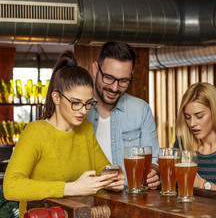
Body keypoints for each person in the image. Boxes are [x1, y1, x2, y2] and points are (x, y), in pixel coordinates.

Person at [4, 51, 125, 217]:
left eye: (88, 103)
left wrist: (113, 180)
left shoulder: (85, 129)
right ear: (56, 97)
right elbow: (11, 187)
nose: (83, 110)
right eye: (76, 103)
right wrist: (70, 188)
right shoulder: (35, 132)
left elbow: (103, 169)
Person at [87, 41, 160, 189]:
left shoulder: (142, 110)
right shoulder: (78, 110)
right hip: (88, 200)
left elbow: (154, 161)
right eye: (108, 77)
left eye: (123, 81)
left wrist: (154, 173)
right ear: (95, 69)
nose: (114, 88)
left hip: (132, 201)